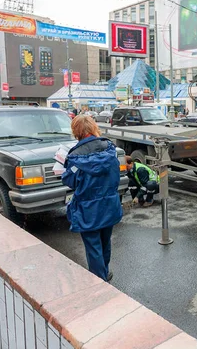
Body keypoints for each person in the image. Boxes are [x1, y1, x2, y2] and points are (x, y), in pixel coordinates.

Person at [62, 115, 122, 282]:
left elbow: (71, 181)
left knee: (93, 246)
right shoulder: (109, 148)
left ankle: (100, 280)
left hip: (87, 208)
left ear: (77, 131)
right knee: (105, 242)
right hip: (109, 203)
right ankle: (105, 271)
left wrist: (64, 171)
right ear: (93, 127)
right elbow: (116, 175)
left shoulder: (75, 155)